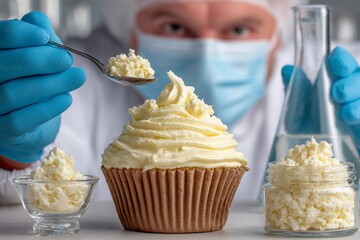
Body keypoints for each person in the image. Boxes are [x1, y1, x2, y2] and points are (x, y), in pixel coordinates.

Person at [1, 0, 360, 204]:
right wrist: (13, 149)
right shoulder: (72, 70)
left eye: (239, 30)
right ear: (129, 28)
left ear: (277, 33)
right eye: (174, 27)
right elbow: (35, 199)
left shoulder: (334, 79)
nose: (206, 51)